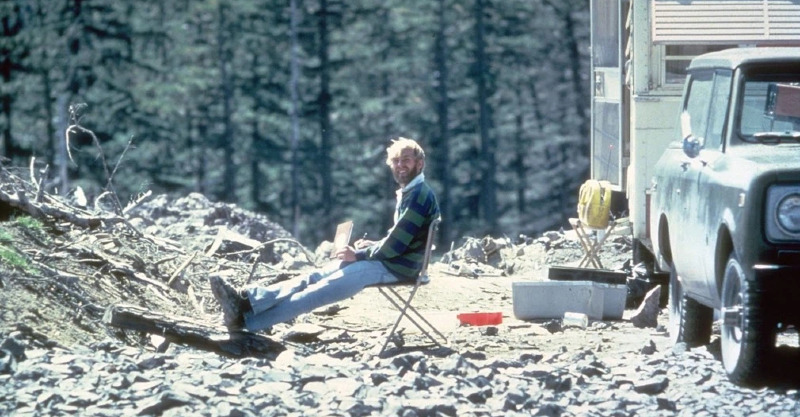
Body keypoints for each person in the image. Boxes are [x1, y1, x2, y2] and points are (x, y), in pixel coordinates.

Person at [209, 137, 440, 331]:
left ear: (419, 164)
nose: (400, 165)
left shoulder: (418, 195)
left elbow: (396, 245)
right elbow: (401, 238)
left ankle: (245, 322)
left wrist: (359, 255)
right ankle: (247, 301)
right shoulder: (412, 191)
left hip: (398, 267)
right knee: (314, 277)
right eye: (396, 161)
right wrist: (371, 245)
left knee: (318, 291)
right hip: (393, 261)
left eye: (406, 160)